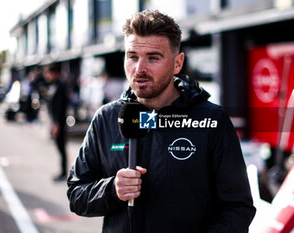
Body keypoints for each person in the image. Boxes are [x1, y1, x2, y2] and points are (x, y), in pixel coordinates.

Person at [67, 10, 256, 233]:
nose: (139, 69)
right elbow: (77, 194)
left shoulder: (212, 120)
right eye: (132, 56)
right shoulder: (106, 118)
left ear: (177, 64)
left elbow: (238, 207)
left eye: (153, 58)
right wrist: (112, 189)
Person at [44, 63, 69, 181]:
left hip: (59, 122)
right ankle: (63, 171)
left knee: (61, 147)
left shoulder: (60, 86)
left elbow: (59, 108)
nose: (47, 76)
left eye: (49, 73)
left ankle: (64, 172)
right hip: (56, 122)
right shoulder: (53, 86)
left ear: (55, 73)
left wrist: (56, 124)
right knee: (59, 147)